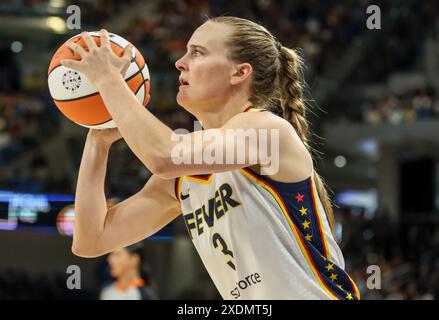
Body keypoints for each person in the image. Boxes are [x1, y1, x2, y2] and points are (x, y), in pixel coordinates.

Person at [63, 16, 360, 300]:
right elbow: (91, 240)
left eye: (198, 53)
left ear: (239, 72)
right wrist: (97, 141)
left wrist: (109, 80)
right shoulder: (183, 178)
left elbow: (164, 155)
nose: (180, 62)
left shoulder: (266, 129)